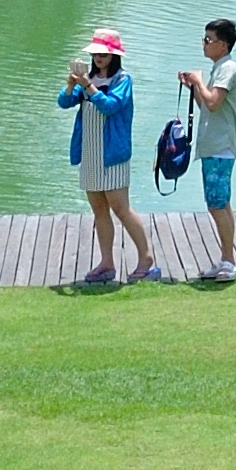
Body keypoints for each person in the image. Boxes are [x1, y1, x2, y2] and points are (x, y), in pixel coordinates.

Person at [61, 30, 160, 286]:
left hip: (113, 154)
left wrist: (87, 86)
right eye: (95, 53)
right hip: (90, 152)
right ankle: (107, 263)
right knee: (98, 209)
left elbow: (110, 106)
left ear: (113, 55)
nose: (98, 57)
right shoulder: (89, 79)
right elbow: (64, 102)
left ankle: (146, 259)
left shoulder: (122, 80)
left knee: (120, 208)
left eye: (103, 53)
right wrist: (72, 84)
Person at [176, 18, 236, 284]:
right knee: (220, 203)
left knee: (217, 204)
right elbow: (207, 103)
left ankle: (228, 261)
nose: (204, 44)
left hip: (221, 147)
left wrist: (198, 81)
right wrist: (194, 86)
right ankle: (226, 260)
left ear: (223, 44)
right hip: (216, 147)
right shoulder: (220, 68)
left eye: (209, 40)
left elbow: (214, 103)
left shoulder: (228, 68)